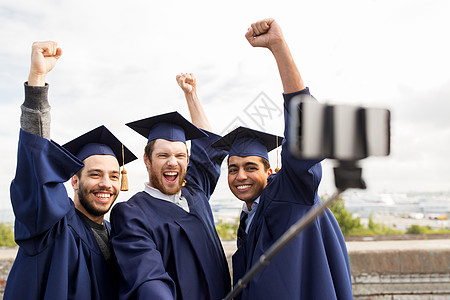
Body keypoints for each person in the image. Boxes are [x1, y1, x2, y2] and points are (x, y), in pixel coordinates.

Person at [212, 19, 354, 299]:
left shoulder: (291, 194)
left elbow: (303, 143)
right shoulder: (249, 215)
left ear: (270, 169)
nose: (240, 176)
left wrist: (278, 48)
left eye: (250, 167)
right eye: (233, 169)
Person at [4, 41, 137, 300]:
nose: (106, 184)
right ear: (74, 180)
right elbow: (36, 173)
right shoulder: (52, 224)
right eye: (95, 174)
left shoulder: (116, 234)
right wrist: (37, 81)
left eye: (113, 175)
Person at [110, 73, 231, 299]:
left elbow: (209, 149)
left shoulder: (195, 192)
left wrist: (192, 95)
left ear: (187, 159)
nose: (172, 162)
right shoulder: (131, 214)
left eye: (179, 155)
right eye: (163, 155)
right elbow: (147, 276)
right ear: (147, 160)